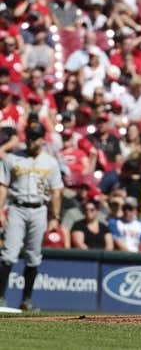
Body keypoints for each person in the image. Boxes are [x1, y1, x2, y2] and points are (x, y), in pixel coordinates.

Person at [0, 122, 63, 311]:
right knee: (8, 254)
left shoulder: (50, 162)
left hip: (39, 210)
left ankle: (26, 300)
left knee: (34, 256)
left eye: (35, 137)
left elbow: (56, 191)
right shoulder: (12, 158)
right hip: (17, 208)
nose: (31, 140)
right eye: (29, 136)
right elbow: (3, 186)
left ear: (43, 139)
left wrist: (55, 217)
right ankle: (0, 298)